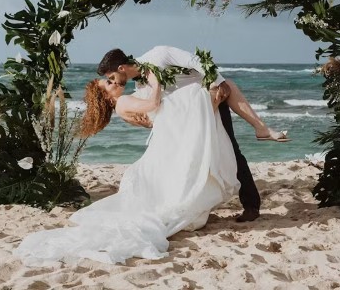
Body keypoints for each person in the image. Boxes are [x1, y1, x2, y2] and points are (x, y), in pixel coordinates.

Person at [15, 69, 240, 265]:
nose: (115, 83)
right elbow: (155, 104)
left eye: (111, 79)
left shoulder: (125, 102)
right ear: (105, 96)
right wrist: (156, 81)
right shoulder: (123, 102)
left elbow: (157, 122)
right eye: (109, 84)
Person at [97, 46, 289, 224]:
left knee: (231, 149)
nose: (113, 82)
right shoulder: (141, 87)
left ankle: (251, 206)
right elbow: (164, 109)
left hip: (211, 102)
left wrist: (218, 82)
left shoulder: (159, 54)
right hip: (190, 119)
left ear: (121, 67)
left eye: (111, 76)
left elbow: (195, 61)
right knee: (190, 161)